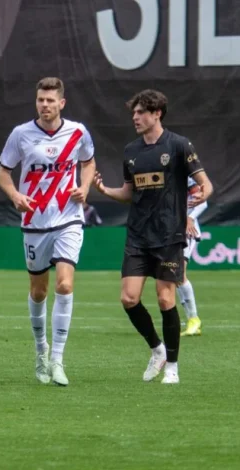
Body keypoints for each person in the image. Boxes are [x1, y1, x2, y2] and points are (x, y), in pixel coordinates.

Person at [93, 89, 213, 384]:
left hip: (169, 234)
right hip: (138, 235)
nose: (135, 117)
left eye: (140, 112)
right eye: (133, 113)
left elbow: (205, 184)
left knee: (165, 298)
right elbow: (128, 193)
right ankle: (157, 349)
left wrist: (201, 196)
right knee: (128, 298)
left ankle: (172, 367)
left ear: (157, 113)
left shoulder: (179, 145)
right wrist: (105, 190)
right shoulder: (131, 151)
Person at [0, 77, 96, 387]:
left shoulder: (77, 132)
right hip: (34, 222)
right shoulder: (21, 134)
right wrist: (15, 196)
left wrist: (84, 187)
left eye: (51, 100)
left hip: (68, 219)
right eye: (41, 99)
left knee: (64, 284)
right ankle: (41, 351)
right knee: (39, 291)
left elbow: (89, 162)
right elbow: (3, 173)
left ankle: (58, 360)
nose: (45, 105)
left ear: (61, 103)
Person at [178, 177, 208, 336]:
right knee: (173, 276)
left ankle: (194, 319)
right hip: (170, 230)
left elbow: (203, 202)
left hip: (187, 230)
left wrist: (190, 218)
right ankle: (191, 320)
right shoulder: (159, 176)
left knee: (179, 273)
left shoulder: (186, 178)